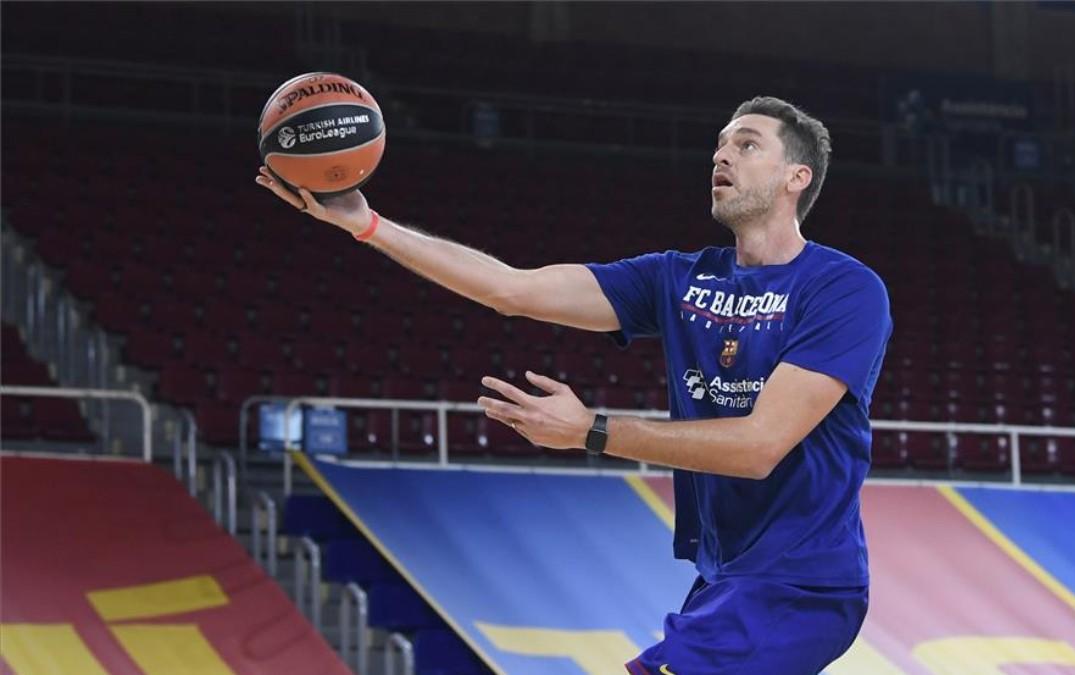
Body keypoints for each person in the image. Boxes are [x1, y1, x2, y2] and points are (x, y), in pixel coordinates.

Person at [256, 95, 891, 674]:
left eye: (747, 144)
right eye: (720, 143)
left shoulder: (843, 288)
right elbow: (512, 289)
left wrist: (590, 431)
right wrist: (367, 224)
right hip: (726, 578)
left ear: (796, 177)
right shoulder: (677, 278)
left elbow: (760, 446)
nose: (722, 154)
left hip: (800, 582)